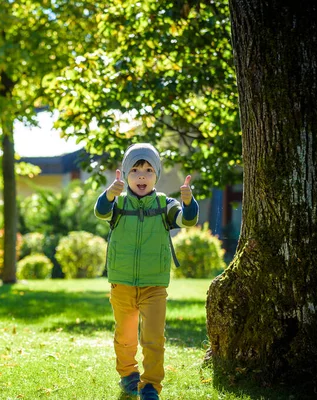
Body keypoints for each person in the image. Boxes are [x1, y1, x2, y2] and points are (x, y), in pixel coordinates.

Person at [94, 143, 199, 400]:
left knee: (154, 339)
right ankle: (128, 375)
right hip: (122, 282)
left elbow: (186, 220)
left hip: (154, 284)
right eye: (136, 170)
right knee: (126, 337)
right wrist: (109, 193)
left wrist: (189, 202)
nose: (142, 175)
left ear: (157, 175)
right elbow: (100, 212)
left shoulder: (165, 203)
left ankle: (151, 385)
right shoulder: (117, 202)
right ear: (126, 174)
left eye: (149, 170)